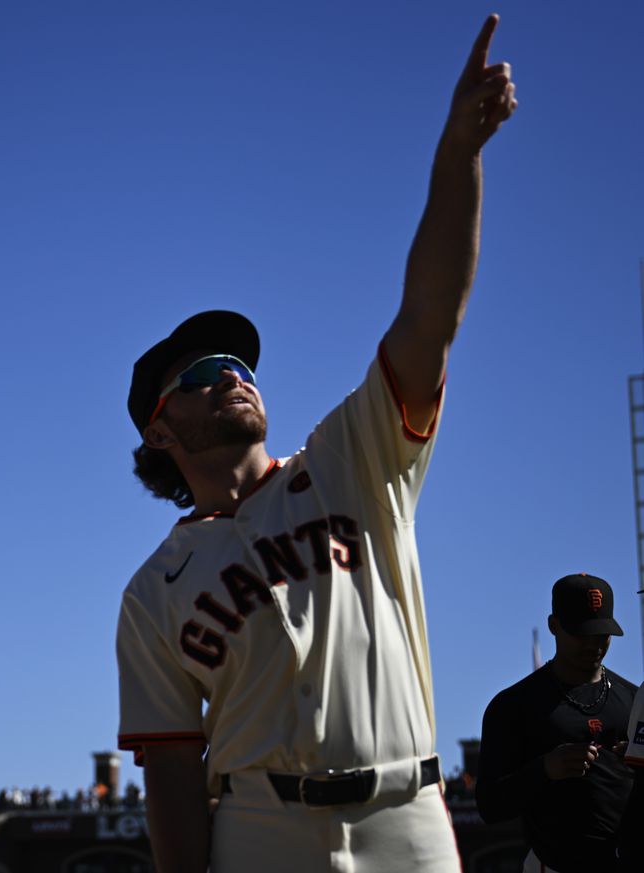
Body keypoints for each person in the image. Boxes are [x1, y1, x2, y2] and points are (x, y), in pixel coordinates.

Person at [114, 15, 517, 873]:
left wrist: (458, 157)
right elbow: (173, 779)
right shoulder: (153, 593)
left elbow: (429, 317)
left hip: (405, 814)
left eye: (239, 362)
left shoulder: (351, 458)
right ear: (159, 426)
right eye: (202, 374)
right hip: (261, 831)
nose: (233, 374)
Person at [476, 574, 639, 873]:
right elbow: (489, 805)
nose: (594, 643)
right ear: (554, 625)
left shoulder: (635, 700)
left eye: (602, 633)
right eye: (582, 632)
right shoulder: (514, 705)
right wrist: (545, 769)